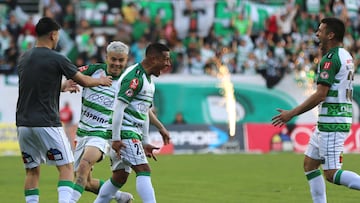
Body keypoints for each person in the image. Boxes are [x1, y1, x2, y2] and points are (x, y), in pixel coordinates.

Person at [16, 16, 112, 203]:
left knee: (32, 170)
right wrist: (101, 80)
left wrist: (61, 86)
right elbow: (84, 80)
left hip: (23, 125)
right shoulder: (57, 58)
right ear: (53, 35)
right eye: (58, 35)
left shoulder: (24, 57)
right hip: (47, 123)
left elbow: (33, 85)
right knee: (67, 168)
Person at [272, 17, 360, 203]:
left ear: (331, 34)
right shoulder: (346, 55)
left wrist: (291, 113)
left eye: (320, 31)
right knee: (310, 164)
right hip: (331, 121)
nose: (317, 34)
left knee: (331, 173)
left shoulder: (330, 59)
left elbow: (321, 94)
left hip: (332, 123)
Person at [94, 43, 171, 203]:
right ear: (153, 58)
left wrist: (145, 141)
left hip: (129, 133)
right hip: (123, 132)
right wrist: (116, 139)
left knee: (120, 177)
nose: (168, 64)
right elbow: (118, 109)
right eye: (165, 60)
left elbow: (143, 114)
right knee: (143, 170)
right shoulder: (134, 77)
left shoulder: (148, 81)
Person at [70, 41, 134, 203]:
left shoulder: (129, 81)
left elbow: (143, 109)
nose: (117, 64)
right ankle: (120, 197)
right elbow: (71, 73)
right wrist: (67, 83)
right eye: (114, 59)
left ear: (126, 60)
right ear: (107, 57)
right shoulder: (94, 70)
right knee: (85, 182)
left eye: (121, 60)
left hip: (102, 134)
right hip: (82, 133)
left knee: (84, 166)